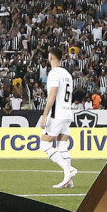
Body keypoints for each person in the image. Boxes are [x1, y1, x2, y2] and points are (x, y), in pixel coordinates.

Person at [38, 47, 78, 188]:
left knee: (44, 144)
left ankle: (68, 169)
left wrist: (44, 115)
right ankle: (69, 181)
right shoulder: (67, 74)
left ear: (50, 58)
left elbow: (52, 95)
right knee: (62, 145)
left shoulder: (54, 73)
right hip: (67, 113)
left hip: (57, 113)